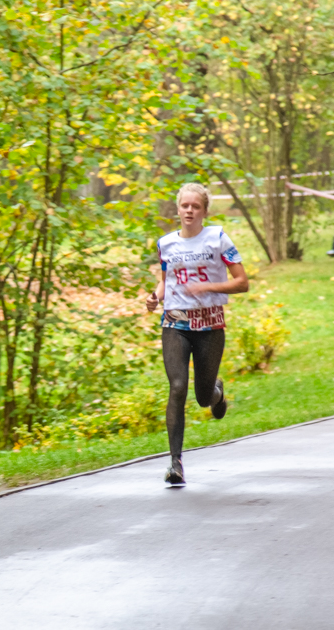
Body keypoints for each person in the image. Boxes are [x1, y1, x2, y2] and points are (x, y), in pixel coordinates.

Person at [146, 183, 249, 485]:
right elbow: (167, 281)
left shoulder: (217, 239)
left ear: (205, 211)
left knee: (203, 398)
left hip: (210, 325)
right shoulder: (166, 243)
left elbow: (242, 282)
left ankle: (216, 392)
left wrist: (208, 287)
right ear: (177, 209)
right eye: (184, 206)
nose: (189, 211)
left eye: (195, 206)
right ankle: (175, 463)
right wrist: (155, 296)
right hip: (175, 322)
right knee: (177, 386)